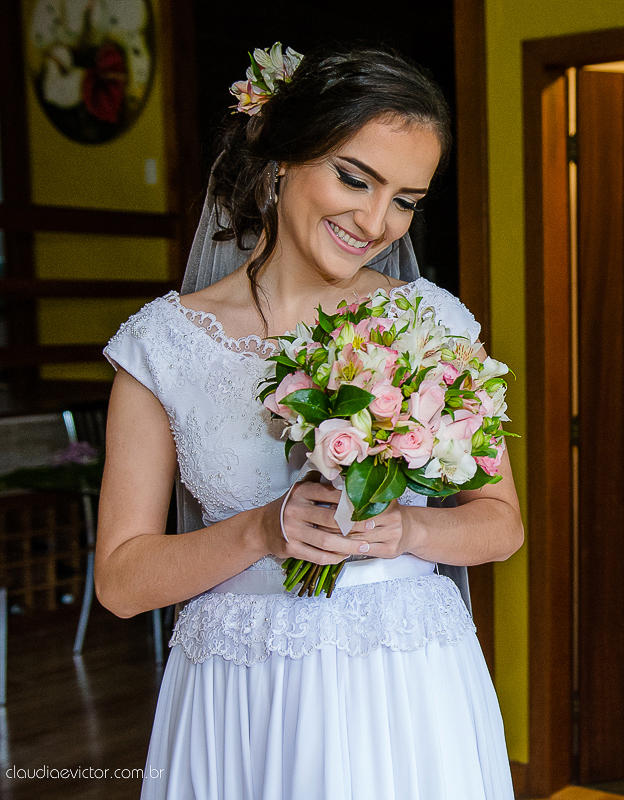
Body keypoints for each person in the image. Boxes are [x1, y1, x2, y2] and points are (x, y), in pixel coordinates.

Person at [94, 42, 521, 800]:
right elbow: (122, 584)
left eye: (405, 200)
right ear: (283, 158)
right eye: (354, 178)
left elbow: (500, 525)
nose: (376, 220)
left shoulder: (430, 323)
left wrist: (408, 531)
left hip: (408, 685)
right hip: (239, 697)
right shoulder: (162, 346)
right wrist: (263, 531)